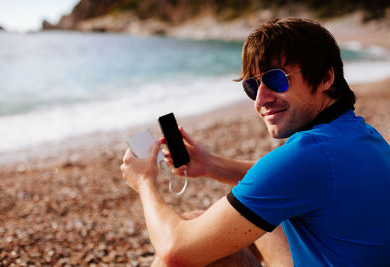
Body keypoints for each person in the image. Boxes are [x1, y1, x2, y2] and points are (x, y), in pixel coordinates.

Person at [120, 18, 390, 266]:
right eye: (252, 87)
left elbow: (174, 252)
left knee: (191, 237)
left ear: (325, 77)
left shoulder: (308, 155)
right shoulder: (361, 135)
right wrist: (211, 165)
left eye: (276, 79)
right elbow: (287, 181)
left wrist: (145, 182)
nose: (261, 100)